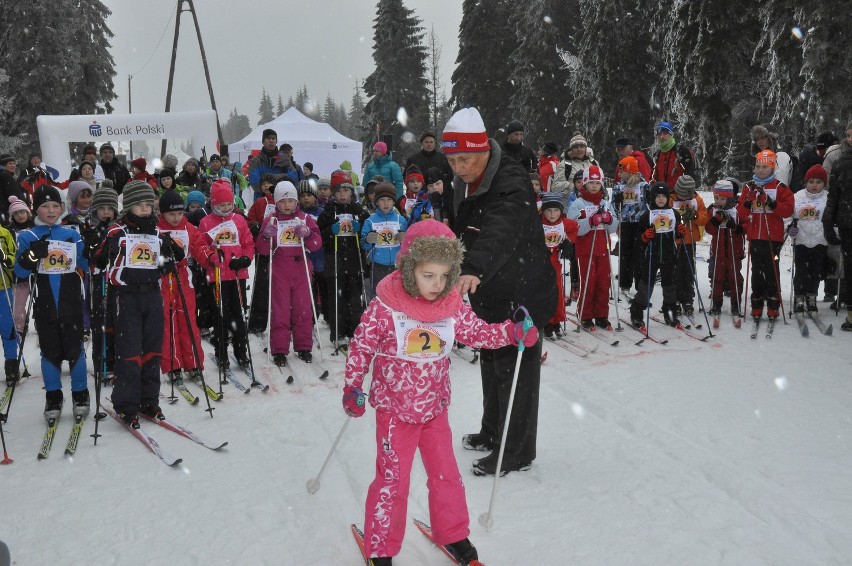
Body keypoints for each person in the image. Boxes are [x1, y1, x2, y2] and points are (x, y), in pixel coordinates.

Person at [342, 219, 538, 565]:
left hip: (434, 408)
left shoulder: (451, 304)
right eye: (428, 275)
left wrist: (510, 333)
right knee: (393, 481)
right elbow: (361, 346)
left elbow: (476, 333)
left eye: (444, 276)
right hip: (395, 412)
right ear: (407, 270)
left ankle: (453, 534)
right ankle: (381, 546)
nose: (437, 284)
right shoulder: (386, 306)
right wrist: (353, 386)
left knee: (446, 474)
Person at [442, 107, 556, 476]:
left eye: (465, 158)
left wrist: (473, 266)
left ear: (484, 151)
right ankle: (493, 431)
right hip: (492, 291)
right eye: (452, 159)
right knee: (492, 363)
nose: (458, 167)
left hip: (522, 291)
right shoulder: (468, 178)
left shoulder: (510, 178)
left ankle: (518, 450)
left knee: (516, 369)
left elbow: (500, 227)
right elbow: (466, 226)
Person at [94, 181, 182, 426]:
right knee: (130, 352)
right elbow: (98, 259)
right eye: (138, 205)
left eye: (147, 204)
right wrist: (110, 254)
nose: (144, 209)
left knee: (153, 351)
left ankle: (149, 401)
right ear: (128, 207)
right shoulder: (117, 232)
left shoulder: (157, 234)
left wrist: (169, 259)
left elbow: (168, 263)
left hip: (153, 295)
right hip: (127, 297)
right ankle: (126, 404)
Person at [14, 185, 89, 420]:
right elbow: (19, 272)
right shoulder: (28, 236)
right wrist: (32, 256)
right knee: (50, 352)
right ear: (36, 209)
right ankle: (53, 397)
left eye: (55, 205)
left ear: (62, 208)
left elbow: (85, 265)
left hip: (70, 302)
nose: (51, 210)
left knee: (75, 350)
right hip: (45, 303)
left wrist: (92, 247)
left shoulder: (71, 234)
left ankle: (80, 394)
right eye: (45, 206)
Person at [256, 181, 321, 366]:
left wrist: (308, 234)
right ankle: (279, 348)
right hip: (280, 269)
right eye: (283, 201)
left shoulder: (305, 218)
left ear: (296, 201)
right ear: (276, 202)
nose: (287, 205)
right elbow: (261, 249)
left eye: (291, 201)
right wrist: (266, 236)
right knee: (280, 310)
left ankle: (303, 346)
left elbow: (317, 244)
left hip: (301, 269)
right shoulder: (272, 220)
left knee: (302, 309)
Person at [197, 180, 255, 367]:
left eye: (229, 204)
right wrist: (212, 256)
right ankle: (221, 352)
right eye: (221, 205)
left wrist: (246, 258)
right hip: (218, 276)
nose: (226, 208)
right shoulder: (206, 222)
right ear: (213, 204)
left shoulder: (238, 220)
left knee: (238, 315)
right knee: (220, 315)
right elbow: (201, 247)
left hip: (237, 274)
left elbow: (248, 243)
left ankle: (241, 352)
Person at [737, 149, 795, 322]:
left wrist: (772, 203)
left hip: (773, 238)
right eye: (757, 166)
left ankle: (773, 303)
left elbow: (788, 210)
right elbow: (740, 213)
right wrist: (747, 202)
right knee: (756, 270)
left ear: (772, 168)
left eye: (764, 167)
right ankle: (756, 303)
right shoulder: (749, 187)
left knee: (772, 271)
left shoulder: (779, 187)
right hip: (755, 237)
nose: (760, 170)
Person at [157, 189, 207, 385]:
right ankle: (172, 364)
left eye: (179, 213)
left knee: (188, 321)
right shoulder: (157, 230)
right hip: (163, 281)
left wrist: (211, 257)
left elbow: (200, 247)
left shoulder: (189, 229)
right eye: (171, 214)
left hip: (184, 280)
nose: (176, 218)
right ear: (163, 213)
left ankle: (193, 363)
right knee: (168, 323)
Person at [316, 170, 369, 351]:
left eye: (346, 190)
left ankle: (354, 331)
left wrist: (360, 228)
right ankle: (338, 332)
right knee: (337, 299)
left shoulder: (359, 211)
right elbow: (318, 237)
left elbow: (368, 233)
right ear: (333, 193)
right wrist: (330, 231)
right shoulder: (328, 212)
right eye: (338, 191)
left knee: (355, 298)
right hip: (335, 262)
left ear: (351, 191)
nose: (342, 194)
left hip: (355, 262)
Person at [566, 165, 620, 329]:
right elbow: (572, 228)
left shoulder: (606, 203)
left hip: (603, 248)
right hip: (585, 250)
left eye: (598, 183)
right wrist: (590, 222)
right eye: (591, 182)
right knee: (588, 283)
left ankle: (601, 315)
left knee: (604, 283)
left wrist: (610, 220)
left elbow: (613, 228)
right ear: (585, 184)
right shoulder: (578, 203)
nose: (595, 186)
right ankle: (586, 315)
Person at [629, 183, 687, 328]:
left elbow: (677, 234)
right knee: (646, 286)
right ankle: (636, 312)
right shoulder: (646, 215)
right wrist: (644, 236)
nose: (661, 199)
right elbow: (637, 239)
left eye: (664, 196)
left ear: (668, 198)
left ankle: (670, 312)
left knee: (670, 285)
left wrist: (680, 231)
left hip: (669, 254)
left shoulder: (674, 213)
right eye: (657, 197)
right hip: (651, 255)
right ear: (652, 198)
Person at [82, 187, 119, 385]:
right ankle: (101, 360)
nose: (106, 212)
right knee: (100, 320)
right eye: (102, 208)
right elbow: (86, 255)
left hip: (115, 279)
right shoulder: (89, 228)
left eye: (110, 208)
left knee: (115, 320)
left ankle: (114, 361)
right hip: (98, 278)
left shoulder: (118, 229)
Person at [787, 164, 830, 317]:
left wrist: (832, 233)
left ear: (824, 184)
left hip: (820, 241)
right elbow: (788, 216)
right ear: (806, 182)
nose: (814, 185)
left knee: (815, 272)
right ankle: (799, 298)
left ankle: (811, 297)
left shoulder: (828, 198)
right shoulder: (797, 196)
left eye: (818, 182)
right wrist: (789, 227)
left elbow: (832, 218)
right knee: (801, 272)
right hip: (801, 241)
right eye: (811, 181)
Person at [823, 135, 852, 331]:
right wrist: (828, 221)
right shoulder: (841, 160)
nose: (851, 138)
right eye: (849, 134)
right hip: (847, 222)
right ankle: (851, 315)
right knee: (849, 269)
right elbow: (834, 193)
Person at [540, 193, 579, 338]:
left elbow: (575, 227)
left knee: (557, 291)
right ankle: (546, 321)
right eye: (548, 210)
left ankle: (556, 320)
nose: (552, 214)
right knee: (543, 293)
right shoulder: (538, 222)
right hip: (539, 263)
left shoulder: (564, 223)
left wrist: (568, 242)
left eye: (556, 210)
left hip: (555, 263)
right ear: (543, 211)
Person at [669, 175, 708, 318]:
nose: (684, 198)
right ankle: (675, 299)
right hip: (675, 242)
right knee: (676, 272)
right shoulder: (671, 199)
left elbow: (705, 218)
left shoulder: (697, 200)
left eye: (687, 195)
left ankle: (687, 299)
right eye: (681, 195)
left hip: (690, 241)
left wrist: (695, 215)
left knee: (689, 271)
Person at [705, 180, 745, 319]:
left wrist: (734, 226)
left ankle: (736, 304)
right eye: (716, 198)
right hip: (718, 251)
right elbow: (709, 229)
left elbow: (744, 229)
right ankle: (716, 304)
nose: (719, 201)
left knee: (735, 278)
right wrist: (716, 220)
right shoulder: (713, 210)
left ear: (729, 198)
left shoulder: (737, 210)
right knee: (717, 278)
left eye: (722, 198)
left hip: (734, 251)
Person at [611, 155, 650, 295]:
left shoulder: (644, 186)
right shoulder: (619, 187)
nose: (619, 174)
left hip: (640, 224)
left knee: (639, 255)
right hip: (626, 223)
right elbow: (614, 207)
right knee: (625, 254)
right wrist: (617, 202)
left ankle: (641, 284)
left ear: (630, 170)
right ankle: (625, 283)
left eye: (621, 171)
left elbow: (650, 204)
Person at [361, 181, 407, 299]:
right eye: (382, 200)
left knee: (398, 294)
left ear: (393, 201)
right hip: (378, 264)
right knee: (379, 294)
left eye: (389, 199)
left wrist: (404, 238)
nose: (386, 203)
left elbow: (409, 244)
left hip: (397, 264)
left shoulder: (400, 220)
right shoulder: (370, 221)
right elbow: (363, 244)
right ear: (376, 201)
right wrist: (367, 240)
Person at [246, 173, 278, 334]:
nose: (267, 187)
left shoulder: (283, 202)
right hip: (264, 248)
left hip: (281, 250)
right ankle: (257, 322)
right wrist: (255, 226)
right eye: (264, 184)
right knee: (261, 286)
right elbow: (250, 218)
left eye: (270, 184)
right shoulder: (260, 202)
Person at [298, 180, 328, 323]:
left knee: (323, 288)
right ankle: (310, 317)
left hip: (320, 256)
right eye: (302, 195)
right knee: (308, 289)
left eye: (309, 195)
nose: (306, 198)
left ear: (315, 196)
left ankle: (327, 314)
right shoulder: (298, 214)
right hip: (304, 257)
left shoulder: (321, 212)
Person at [651, 121, 697, 189]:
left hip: (679, 196)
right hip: (663, 196)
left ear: (671, 135)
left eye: (665, 133)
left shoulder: (681, 151)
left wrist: (684, 193)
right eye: (659, 134)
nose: (662, 136)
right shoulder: (658, 153)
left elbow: (690, 174)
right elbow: (656, 176)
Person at [552, 133, 598, 199]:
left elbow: (601, 183)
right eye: (576, 147)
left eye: (582, 146)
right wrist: (571, 186)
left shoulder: (594, 163)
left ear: (585, 148)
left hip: (591, 204)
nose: (579, 149)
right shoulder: (564, 165)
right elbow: (555, 188)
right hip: (571, 205)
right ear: (571, 150)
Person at [0, 221, 17, 387]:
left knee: (7, 327)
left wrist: (5, 259)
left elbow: (14, 257)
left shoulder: (4, 233)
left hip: (2, 287)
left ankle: (11, 364)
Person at [0, 155, 26, 222]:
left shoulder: (9, 176)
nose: (13, 165)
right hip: (12, 211)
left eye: (14, 163)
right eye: (10, 163)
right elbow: (12, 194)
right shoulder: (5, 176)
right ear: (3, 165)